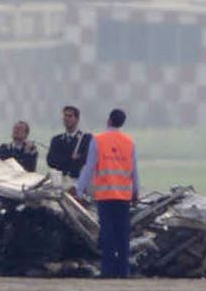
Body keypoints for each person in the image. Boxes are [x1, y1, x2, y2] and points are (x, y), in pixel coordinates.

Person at [77, 108, 139, 278]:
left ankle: (108, 270)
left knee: (107, 234)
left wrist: (79, 189)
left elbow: (90, 167)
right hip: (124, 196)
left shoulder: (98, 140)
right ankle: (123, 270)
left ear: (109, 120)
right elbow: (134, 171)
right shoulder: (129, 142)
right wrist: (135, 192)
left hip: (105, 195)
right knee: (123, 235)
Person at [46, 105, 93, 182]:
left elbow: (85, 159)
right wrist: (71, 158)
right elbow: (51, 161)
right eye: (65, 116)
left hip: (78, 180)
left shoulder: (86, 139)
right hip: (60, 180)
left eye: (70, 116)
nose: (67, 119)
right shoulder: (56, 140)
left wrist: (61, 159)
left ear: (77, 119)